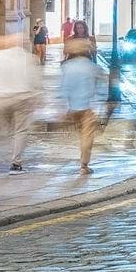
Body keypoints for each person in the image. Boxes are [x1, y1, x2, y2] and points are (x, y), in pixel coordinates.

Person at [0, 32, 40, 173]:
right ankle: (16, 163)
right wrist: (36, 97)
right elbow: (34, 80)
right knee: (20, 131)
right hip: (22, 98)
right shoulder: (27, 58)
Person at [59, 37, 105, 174]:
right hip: (87, 107)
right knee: (87, 136)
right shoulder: (92, 67)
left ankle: (82, 161)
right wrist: (101, 103)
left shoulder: (67, 67)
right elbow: (100, 88)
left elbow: (64, 88)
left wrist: (61, 106)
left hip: (72, 107)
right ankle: (84, 165)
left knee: (80, 133)